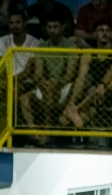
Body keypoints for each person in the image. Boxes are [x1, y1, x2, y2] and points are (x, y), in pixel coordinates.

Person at [20, 15, 78, 145]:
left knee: (49, 93)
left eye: (55, 27)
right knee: (24, 99)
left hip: (64, 87)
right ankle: (34, 133)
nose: (52, 30)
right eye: (49, 27)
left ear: (62, 27)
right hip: (45, 85)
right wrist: (43, 83)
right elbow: (38, 73)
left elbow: (70, 74)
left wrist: (55, 84)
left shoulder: (70, 46)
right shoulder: (42, 46)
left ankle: (47, 135)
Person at [61, 22, 112, 130]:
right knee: (71, 118)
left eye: (107, 30)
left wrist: (102, 84)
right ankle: (72, 111)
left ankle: (75, 109)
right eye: (101, 30)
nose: (104, 33)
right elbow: (81, 77)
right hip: (94, 94)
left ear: (111, 34)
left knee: (110, 85)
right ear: (95, 34)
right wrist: (72, 100)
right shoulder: (89, 53)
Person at [0, 9, 40, 79]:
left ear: (24, 23)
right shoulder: (2, 41)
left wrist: (12, 81)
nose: (14, 26)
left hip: (25, 81)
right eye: (11, 23)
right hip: (6, 80)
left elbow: (28, 71)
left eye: (18, 22)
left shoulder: (34, 43)